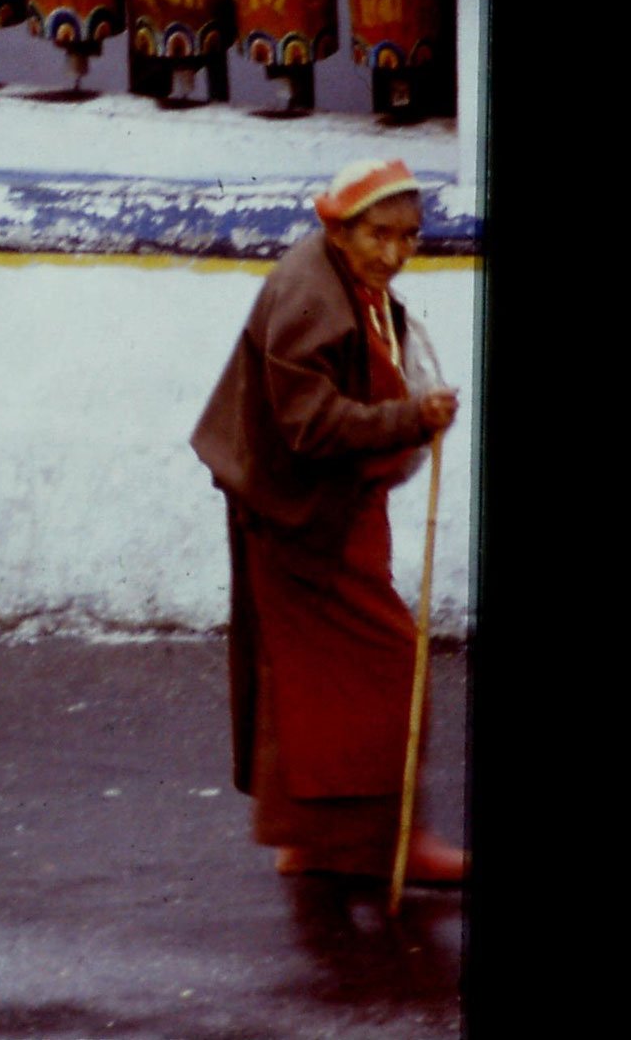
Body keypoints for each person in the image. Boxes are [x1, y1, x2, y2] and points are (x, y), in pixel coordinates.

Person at [189, 158, 468, 884]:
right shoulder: (309, 294)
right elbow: (309, 424)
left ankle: (306, 838)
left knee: (305, 674)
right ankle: (394, 841)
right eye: (379, 235)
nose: (394, 253)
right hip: (295, 510)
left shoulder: (352, 278)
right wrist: (410, 417)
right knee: (388, 661)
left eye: (410, 237)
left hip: (324, 501)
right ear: (339, 229)